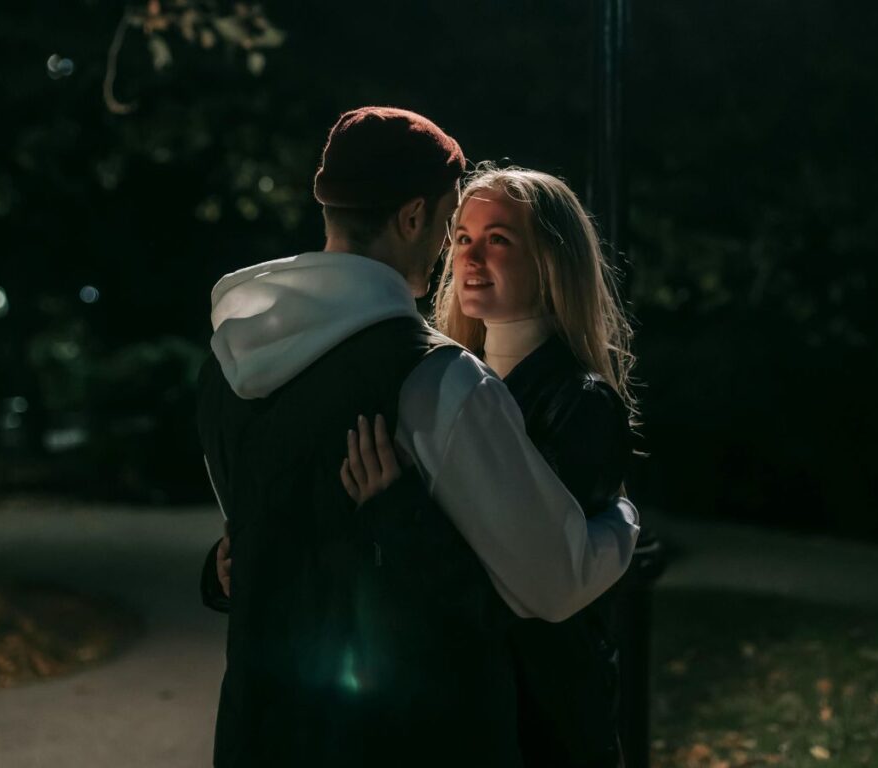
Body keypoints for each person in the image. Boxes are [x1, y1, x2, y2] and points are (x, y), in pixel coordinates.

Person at [197, 107, 639, 767]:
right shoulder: (438, 379)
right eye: (449, 225)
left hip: (262, 730)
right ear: (413, 218)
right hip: (412, 736)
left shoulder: (228, 365)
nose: (452, 251)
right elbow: (550, 583)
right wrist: (622, 525)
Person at [340, 164, 637, 767]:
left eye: (499, 239)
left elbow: (520, 584)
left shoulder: (580, 401)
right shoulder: (439, 384)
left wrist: (396, 511)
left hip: (540, 716)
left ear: (552, 260)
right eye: (464, 237)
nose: (472, 257)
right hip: (456, 707)